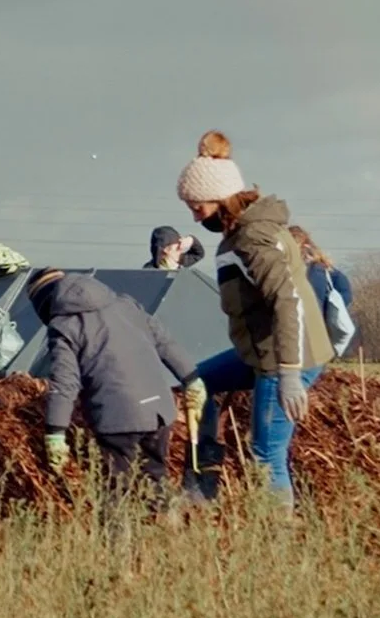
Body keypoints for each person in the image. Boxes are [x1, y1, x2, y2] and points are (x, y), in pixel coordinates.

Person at [176, 130, 335, 504]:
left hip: (284, 357)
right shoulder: (241, 234)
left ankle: (276, 544)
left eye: (197, 207)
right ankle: (203, 484)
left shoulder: (254, 238)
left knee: (266, 455)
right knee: (198, 383)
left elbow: (287, 300)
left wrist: (291, 374)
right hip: (262, 351)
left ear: (220, 199)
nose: (195, 217)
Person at [27, 267, 197, 501]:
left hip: (118, 417)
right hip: (159, 411)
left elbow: (65, 383)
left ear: (44, 304)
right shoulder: (125, 305)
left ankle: (116, 537)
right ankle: (169, 530)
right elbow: (165, 343)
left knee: (116, 492)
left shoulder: (64, 327)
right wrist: (192, 379)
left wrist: (55, 432)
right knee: (155, 478)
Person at [290, 224, 357, 361]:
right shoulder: (323, 267)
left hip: (300, 330)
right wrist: (331, 311)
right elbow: (345, 291)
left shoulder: (296, 267)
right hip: (320, 332)